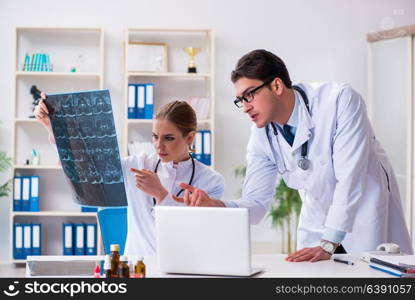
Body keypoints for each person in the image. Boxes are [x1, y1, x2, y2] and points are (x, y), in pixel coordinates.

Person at [174, 49, 413, 261]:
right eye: (240, 100)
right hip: (317, 218)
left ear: (276, 86)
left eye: (249, 95)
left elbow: (350, 179)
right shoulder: (261, 136)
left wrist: (329, 242)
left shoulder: (339, 100)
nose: (245, 106)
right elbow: (256, 204)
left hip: (365, 212)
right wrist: (216, 205)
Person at [34, 97, 225, 256]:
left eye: (168, 138)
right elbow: (84, 169)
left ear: (190, 138)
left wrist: (161, 194)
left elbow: (193, 233)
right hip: (136, 269)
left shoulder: (211, 181)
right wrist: (53, 128)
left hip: (183, 271)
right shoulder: (138, 164)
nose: (159, 146)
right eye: (154, 137)